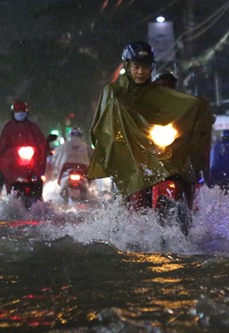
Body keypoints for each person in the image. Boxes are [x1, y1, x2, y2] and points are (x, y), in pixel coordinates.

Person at [87, 41, 213, 211]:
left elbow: (176, 107)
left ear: (151, 68)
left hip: (156, 150)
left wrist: (199, 106)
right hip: (129, 154)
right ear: (128, 66)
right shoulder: (114, 93)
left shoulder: (158, 93)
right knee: (134, 193)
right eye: (136, 66)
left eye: (145, 67)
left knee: (182, 170)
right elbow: (104, 127)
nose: (140, 72)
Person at [0, 100, 48, 201]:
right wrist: (1, 150)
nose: (20, 113)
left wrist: (45, 147)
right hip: (13, 161)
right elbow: (3, 142)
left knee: (38, 176)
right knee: (0, 168)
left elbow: (41, 140)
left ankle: (40, 198)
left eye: (22, 111)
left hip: (31, 163)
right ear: (13, 113)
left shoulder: (32, 127)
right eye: (18, 111)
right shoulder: (8, 127)